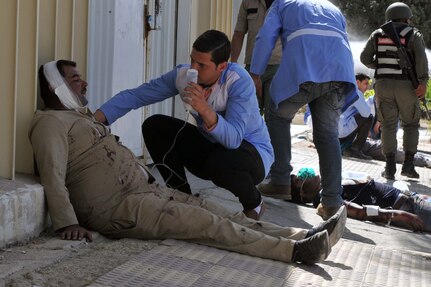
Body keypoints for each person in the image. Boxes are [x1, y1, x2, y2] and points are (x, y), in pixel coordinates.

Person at [29, 59, 348, 265]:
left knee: (216, 211)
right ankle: (294, 253)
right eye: (75, 79)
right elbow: (52, 174)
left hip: (144, 195)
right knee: (208, 225)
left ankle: (299, 235)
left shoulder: (80, 120)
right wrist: (67, 222)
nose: (84, 83)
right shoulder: (50, 124)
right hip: (118, 210)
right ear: (57, 87)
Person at [93, 30, 274, 220]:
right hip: (213, 149)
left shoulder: (237, 81)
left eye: (202, 65)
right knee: (154, 126)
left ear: (221, 67)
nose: (193, 69)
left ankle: (254, 204)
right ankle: (182, 197)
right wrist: (94, 120)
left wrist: (204, 109)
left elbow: (233, 140)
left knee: (220, 162)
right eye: (192, 60)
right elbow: (136, 96)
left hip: (252, 155)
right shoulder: (183, 75)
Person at [249, 0, 357, 220]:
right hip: (339, 72)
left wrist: (255, 73)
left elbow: (265, 36)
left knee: (277, 113)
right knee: (327, 135)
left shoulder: (282, 3)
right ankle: (332, 202)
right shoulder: (331, 7)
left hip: (305, 67)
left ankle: (279, 180)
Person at [360, 2, 429, 180]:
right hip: (406, 85)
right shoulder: (413, 34)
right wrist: (423, 82)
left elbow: (364, 58)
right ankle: (408, 165)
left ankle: (389, 168)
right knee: (411, 124)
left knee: (388, 125)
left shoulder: (377, 34)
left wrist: (380, 65)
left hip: (383, 85)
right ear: (406, 16)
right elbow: (422, 61)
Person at [289, 168, 429, 232]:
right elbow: (359, 212)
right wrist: (399, 215)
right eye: (298, 180)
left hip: (411, 200)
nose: (302, 175)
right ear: (303, 194)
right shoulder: (324, 197)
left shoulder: (328, 184)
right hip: (409, 208)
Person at [231, 0, 282, 122]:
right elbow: (239, 33)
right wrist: (233, 64)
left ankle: (272, 141)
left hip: (278, 67)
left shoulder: (288, 3)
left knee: (274, 116)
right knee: (249, 114)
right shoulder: (247, 2)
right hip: (252, 66)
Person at [338, 73, 374, 159]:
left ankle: (346, 146)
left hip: (333, 131)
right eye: (365, 84)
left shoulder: (344, 89)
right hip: (342, 131)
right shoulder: (356, 93)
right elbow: (366, 113)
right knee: (369, 117)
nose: (367, 87)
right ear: (358, 82)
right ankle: (356, 149)